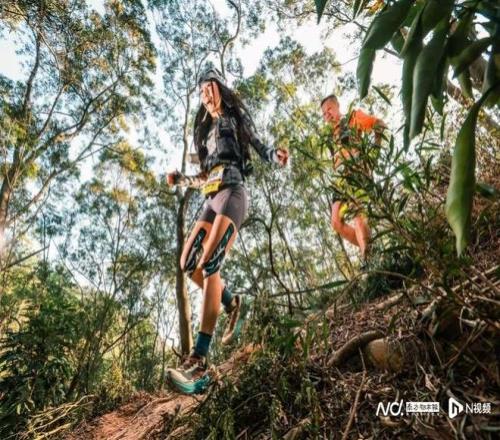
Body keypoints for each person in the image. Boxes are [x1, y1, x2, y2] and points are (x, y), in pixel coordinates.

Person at [166, 67, 288, 394]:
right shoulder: (205, 132)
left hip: (233, 191)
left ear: (219, 87)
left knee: (210, 264)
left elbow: (259, 146)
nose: (206, 94)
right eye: (201, 91)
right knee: (188, 263)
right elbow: (203, 176)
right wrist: (181, 180)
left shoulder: (234, 118)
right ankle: (232, 302)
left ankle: (199, 361)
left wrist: (275, 155)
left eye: (210, 87)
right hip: (211, 195)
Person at [320, 94, 385, 260]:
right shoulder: (332, 135)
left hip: (356, 172)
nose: (327, 115)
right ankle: (371, 250)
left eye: (329, 109)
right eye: (324, 113)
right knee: (336, 222)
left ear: (337, 106)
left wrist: (371, 158)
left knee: (358, 214)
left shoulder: (352, 117)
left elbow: (379, 124)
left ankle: (368, 258)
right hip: (340, 180)